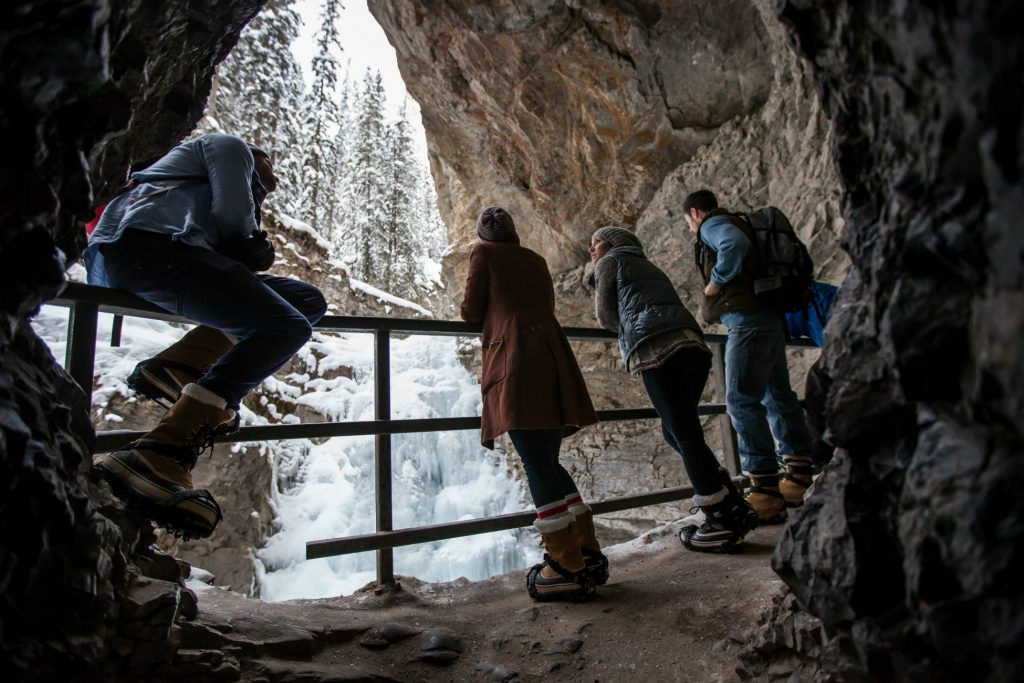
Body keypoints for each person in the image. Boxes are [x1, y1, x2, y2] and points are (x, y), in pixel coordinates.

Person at [87, 133, 327, 539]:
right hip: (149, 247)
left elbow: (231, 254)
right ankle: (160, 451)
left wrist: (247, 247)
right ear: (255, 158)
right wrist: (252, 240)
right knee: (284, 326)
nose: (271, 184)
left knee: (306, 300)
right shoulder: (228, 148)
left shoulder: (195, 197)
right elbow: (234, 216)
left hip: (158, 256)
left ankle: (179, 368)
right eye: (265, 177)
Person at [461, 206, 602, 601]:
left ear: (484, 237)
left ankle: (565, 566)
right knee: (549, 461)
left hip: (515, 362)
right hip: (551, 357)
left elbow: (471, 310)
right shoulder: (536, 259)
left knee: (536, 462)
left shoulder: (483, 254)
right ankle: (586, 551)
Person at [588, 226, 757, 552]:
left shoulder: (611, 260)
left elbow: (606, 316)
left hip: (657, 351)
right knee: (676, 432)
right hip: (692, 347)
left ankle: (721, 518)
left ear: (611, 242)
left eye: (595, 243)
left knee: (685, 434)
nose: (592, 250)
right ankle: (728, 497)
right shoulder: (647, 264)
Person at [684, 189, 813, 523]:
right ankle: (798, 479)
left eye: (687, 221)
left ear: (695, 213)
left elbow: (733, 246)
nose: (690, 227)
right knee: (777, 395)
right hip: (767, 319)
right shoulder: (740, 221)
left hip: (747, 323)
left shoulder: (712, 225)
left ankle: (764, 489)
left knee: (740, 400)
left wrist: (715, 283)